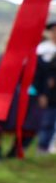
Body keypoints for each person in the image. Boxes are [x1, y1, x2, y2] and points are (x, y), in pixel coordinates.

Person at [34, 21, 56, 154]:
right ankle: (43, 147)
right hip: (47, 93)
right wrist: (41, 93)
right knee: (47, 120)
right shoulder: (42, 49)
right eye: (54, 31)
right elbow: (37, 74)